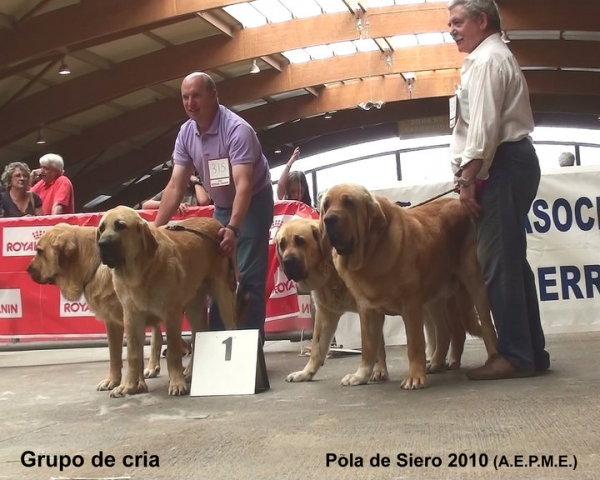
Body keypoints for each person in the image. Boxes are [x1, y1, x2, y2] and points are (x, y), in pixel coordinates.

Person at [447, 0, 550, 380]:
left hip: (501, 165)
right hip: (506, 164)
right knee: (510, 262)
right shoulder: (485, 59)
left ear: (481, 20)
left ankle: (515, 355)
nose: (452, 29)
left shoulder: (488, 61)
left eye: (458, 22)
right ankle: (530, 352)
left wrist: (467, 179)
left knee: (499, 265)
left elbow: (484, 130)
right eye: (450, 23)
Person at [154, 72, 274, 338]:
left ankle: (250, 351)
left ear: (213, 95)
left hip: (253, 201)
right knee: (218, 278)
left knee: (248, 278)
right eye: (185, 97)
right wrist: (155, 230)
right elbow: (175, 186)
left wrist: (232, 227)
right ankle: (218, 346)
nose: (190, 102)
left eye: (196, 95)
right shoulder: (186, 133)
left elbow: (243, 185)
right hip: (221, 205)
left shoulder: (237, 130)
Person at [141, 174, 212, 211]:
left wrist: (196, 181)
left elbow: (204, 201)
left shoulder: (199, 187)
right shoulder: (171, 189)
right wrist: (174, 205)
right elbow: (146, 205)